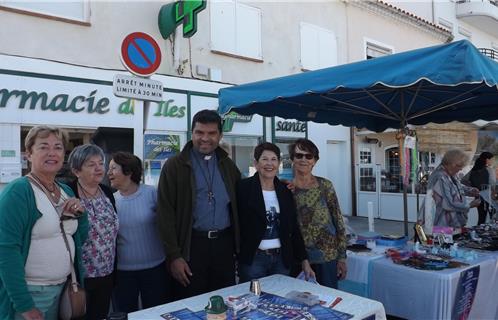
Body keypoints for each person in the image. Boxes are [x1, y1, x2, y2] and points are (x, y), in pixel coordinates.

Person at [0, 125, 88, 320]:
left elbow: (82, 236)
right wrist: (25, 305)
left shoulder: (65, 190)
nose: (52, 153)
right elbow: (6, 251)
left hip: (64, 288)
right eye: (43, 147)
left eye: (57, 147)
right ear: (28, 154)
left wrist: (81, 214)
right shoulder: (19, 192)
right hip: (31, 295)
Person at [157, 109, 241, 299]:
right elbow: (165, 214)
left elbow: (246, 196)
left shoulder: (228, 165)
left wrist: (278, 186)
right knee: (192, 304)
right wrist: (174, 256)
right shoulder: (174, 166)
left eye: (211, 133)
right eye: (199, 132)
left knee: (223, 302)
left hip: (224, 247)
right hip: (192, 247)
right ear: (192, 133)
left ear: (220, 135)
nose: (205, 138)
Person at [236, 142, 314, 283]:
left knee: (279, 299)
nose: (269, 164)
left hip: (281, 260)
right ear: (256, 163)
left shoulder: (285, 190)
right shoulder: (243, 188)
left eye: (273, 159)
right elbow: (236, 223)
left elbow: (294, 228)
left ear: (278, 163)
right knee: (253, 301)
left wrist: (304, 259)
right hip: (254, 260)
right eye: (264, 159)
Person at [108, 152, 170, 312]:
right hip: (122, 274)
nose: (108, 173)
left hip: (155, 269)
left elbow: (168, 226)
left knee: (156, 313)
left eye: (113, 168)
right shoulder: (110, 200)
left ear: (128, 171)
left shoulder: (152, 194)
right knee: (125, 314)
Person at [67, 144, 118, 320]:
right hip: (80, 278)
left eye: (100, 163)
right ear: (76, 170)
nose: (99, 168)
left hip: (107, 274)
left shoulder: (108, 192)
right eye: (91, 164)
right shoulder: (68, 193)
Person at [289, 138, 347, 289]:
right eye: (299, 155)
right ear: (292, 159)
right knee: (298, 304)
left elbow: (338, 221)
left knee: (328, 301)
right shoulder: (286, 189)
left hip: (326, 258)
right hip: (298, 258)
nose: (304, 159)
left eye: (309, 156)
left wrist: (342, 257)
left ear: (314, 161)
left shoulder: (325, 186)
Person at [419, 149, 480, 228]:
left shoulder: (449, 173)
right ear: (453, 164)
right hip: (440, 226)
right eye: (460, 166)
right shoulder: (440, 177)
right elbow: (447, 204)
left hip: (449, 225)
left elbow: (456, 186)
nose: (461, 169)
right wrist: (469, 205)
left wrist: (469, 190)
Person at [467, 151, 496, 224]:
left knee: (481, 219)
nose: (492, 161)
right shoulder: (489, 170)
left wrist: (473, 188)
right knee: (493, 219)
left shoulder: (473, 170)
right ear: (487, 160)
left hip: (478, 198)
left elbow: (463, 181)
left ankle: (479, 234)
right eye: (491, 159)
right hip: (489, 198)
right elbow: (493, 184)